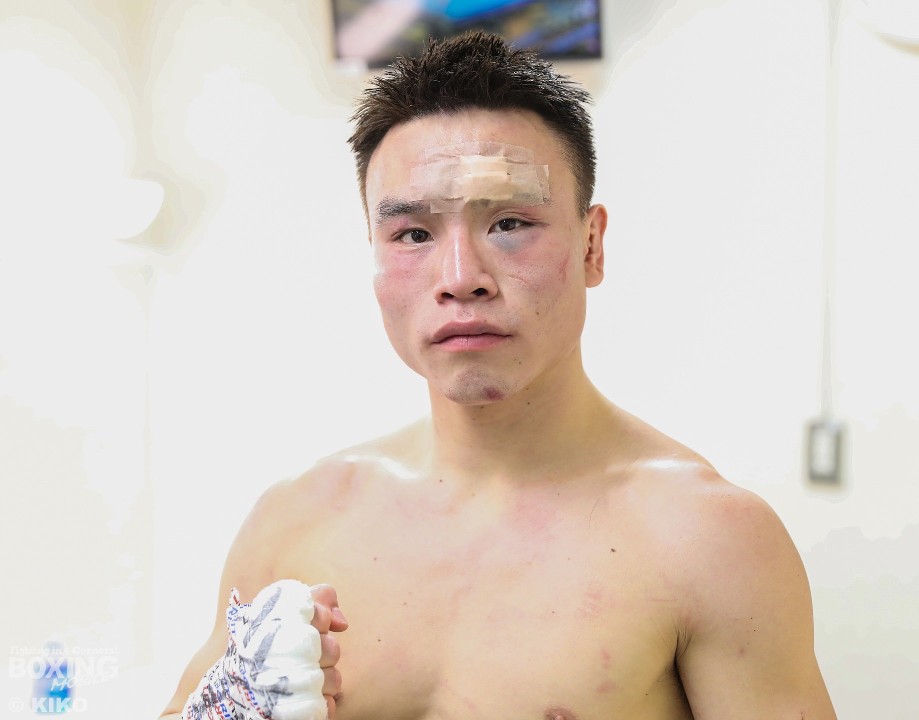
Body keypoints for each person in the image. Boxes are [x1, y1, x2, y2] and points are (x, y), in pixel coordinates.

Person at [160, 30, 836, 720]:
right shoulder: (293, 525)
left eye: (510, 223)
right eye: (413, 234)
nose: (461, 278)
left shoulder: (708, 539)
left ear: (592, 245)